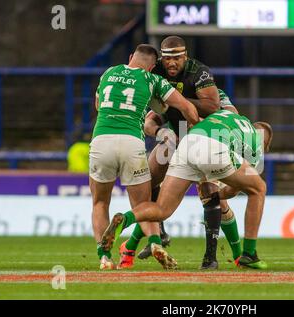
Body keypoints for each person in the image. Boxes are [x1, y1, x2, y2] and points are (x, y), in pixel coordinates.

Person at [101, 109, 274, 270]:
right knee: (259, 188)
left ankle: (125, 219)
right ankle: (249, 254)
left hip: (187, 143)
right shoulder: (257, 140)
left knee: (162, 210)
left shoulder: (228, 116)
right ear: (265, 142)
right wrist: (218, 195)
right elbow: (235, 189)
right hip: (214, 148)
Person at [130, 35, 239, 270]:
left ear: (185, 57)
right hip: (178, 134)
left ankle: (215, 257)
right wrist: (161, 133)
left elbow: (216, 110)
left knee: (211, 193)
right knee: (148, 178)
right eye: (167, 58)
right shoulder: (155, 72)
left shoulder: (199, 73)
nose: (171, 63)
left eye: (177, 58)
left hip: (207, 135)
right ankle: (157, 234)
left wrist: (175, 101)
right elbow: (149, 122)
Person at [90, 43, 199, 270]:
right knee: (143, 203)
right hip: (132, 143)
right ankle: (155, 242)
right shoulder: (153, 80)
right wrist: (196, 127)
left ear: (131, 57)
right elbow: (185, 106)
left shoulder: (108, 73)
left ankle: (104, 258)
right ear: (152, 67)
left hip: (102, 139)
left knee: (100, 202)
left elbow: (99, 105)